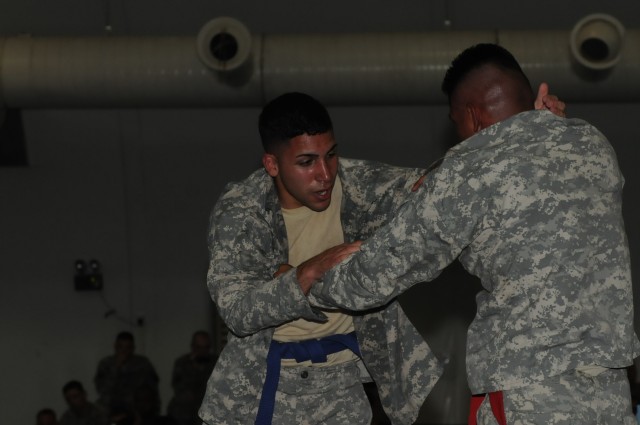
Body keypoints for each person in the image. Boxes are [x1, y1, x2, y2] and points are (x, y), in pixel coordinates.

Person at [309, 43, 639, 424]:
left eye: (456, 123)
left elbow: (377, 274)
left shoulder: (468, 171)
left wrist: (308, 280)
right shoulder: (591, 142)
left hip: (528, 397)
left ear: (473, 115)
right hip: (610, 392)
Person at [199, 88, 563, 425]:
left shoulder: (361, 185)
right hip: (258, 387)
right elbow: (237, 310)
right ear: (272, 164)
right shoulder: (242, 211)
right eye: (307, 162)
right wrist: (306, 274)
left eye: (331, 155)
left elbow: (443, 184)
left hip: (341, 388)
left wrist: (527, 128)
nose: (325, 174)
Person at [94, 331, 160, 418]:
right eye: (120, 347)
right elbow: (101, 389)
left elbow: (153, 388)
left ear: (133, 348)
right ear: (115, 347)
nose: (124, 351)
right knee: (99, 407)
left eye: (128, 347)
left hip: (135, 404)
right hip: (112, 403)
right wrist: (116, 368)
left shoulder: (142, 363)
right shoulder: (106, 363)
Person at [167, 331, 217, 425]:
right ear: (193, 346)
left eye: (206, 347)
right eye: (199, 347)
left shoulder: (217, 363)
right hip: (187, 408)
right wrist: (193, 368)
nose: (202, 351)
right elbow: (179, 387)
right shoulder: (182, 363)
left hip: (210, 406)